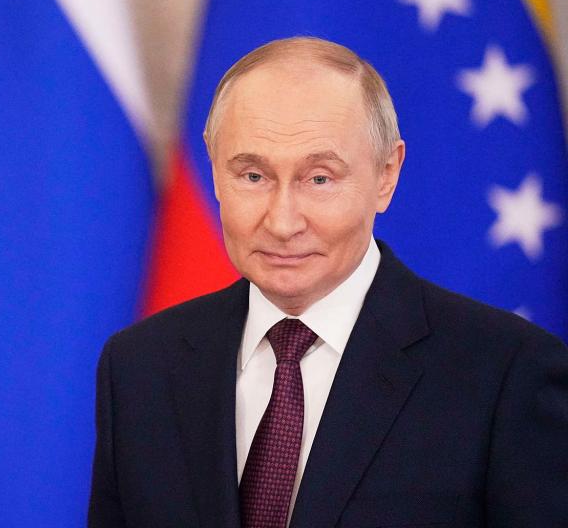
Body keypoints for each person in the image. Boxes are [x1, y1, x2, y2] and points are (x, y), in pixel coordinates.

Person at [88, 36, 568, 527]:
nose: (282, 222)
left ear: (386, 175)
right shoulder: (139, 367)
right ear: (213, 168)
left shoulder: (508, 374)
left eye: (319, 178)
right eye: (253, 176)